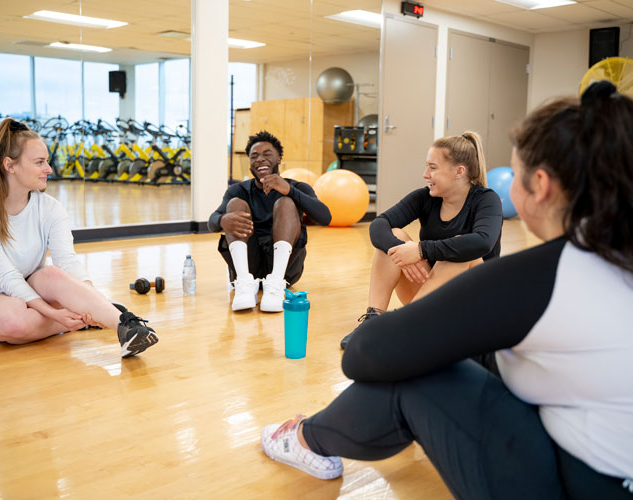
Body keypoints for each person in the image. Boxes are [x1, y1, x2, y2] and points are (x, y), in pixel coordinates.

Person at [260, 81, 633, 500]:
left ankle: (307, 439)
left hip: (582, 486)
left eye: (516, 174)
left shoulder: (544, 274)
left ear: (540, 185)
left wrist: (417, 322)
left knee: (419, 371)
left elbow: (365, 355)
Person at [0, 118, 158, 358]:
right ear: (10, 165)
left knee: (52, 274)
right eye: (40, 162)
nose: (49, 169)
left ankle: (125, 326)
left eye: (47, 161)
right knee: (11, 322)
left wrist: (92, 295)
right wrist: (57, 314)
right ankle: (84, 318)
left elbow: (67, 262)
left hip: (36, 284)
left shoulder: (49, 207)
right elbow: (6, 277)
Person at [340, 131, 503, 349]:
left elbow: (482, 242)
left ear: (459, 171)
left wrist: (421, 250)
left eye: (433, 167)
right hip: (430, 304)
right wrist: (401, 249)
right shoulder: (425, 197)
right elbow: (379, 224)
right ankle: (374, 319)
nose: (425, 174)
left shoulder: (486, 200)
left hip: (473, 308)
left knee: (461, 247)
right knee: (394, 236)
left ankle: (405, 325)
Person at [208, 130, 331, 312]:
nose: (260, 159)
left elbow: (325, 218)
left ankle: (275, 284)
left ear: (279, 158)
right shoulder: (238, 190)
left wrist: (289, 190)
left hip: (285, 270)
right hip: (249, 265)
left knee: (286, 202)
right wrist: (223, 219)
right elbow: (211, 222)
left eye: (267, 154)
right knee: (234, 205)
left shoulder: (297, 187)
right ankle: (244, 283)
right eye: (254, 156)